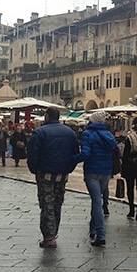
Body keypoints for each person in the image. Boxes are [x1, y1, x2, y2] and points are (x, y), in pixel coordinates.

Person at [26, 107, 79, 249]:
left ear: (47, 116)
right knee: (57, 203)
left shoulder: (40, 132)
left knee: (47, 203)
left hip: (45, 173)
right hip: (62, 174)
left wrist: (34, 169)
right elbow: (75, 153)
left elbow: (32, 153)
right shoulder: (70, 133)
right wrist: (69, 168)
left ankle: (49, 237)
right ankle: (53, 233)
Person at [74, 110, 117, 247]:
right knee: (97, 199)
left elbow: (86, 153)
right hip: (106, 171)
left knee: (97, 201)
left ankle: (101, 234)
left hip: (92, 171)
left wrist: (72, 159)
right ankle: (93, 228)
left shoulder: (88, 134)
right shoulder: (109, 135)